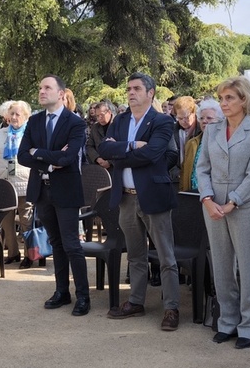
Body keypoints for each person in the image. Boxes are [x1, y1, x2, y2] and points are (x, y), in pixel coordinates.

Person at [98, 72, 181, 331]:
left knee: (166, 256)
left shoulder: (162, 121)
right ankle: (136, 301)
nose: (131, 92)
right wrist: (133, 145)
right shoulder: (120, 120)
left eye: (136, 88)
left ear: (150, 93)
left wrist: (120, 152)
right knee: (135, 255)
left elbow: (155, 153)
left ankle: (171, 307)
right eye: (128, 88)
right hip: (125, 198)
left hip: (153, 196)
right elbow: (103, 150)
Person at [196, 76, 250, 349]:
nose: (223, 103)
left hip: (246, 207)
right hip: (213, 206)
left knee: (249, 269)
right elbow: (201, 168)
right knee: (222, 267)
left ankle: (249, 326)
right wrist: (206, 198)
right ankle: (227, 321)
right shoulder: (212, 130)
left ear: (244, 100)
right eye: (221, 98)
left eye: (229, 98)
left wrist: (233, 202)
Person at [18, 74, 90, 316]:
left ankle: (83, 295)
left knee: (71, 244)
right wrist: (50, 161)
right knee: (55, 243)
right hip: (42, 190)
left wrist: (38, 152)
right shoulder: (35, 121)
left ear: (61, 94)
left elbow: (69, 159)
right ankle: (62, 291)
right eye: (40, 87)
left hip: (67, 191)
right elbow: (22, 156)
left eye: (47, 87)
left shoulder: (75, 123)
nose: (41, 91)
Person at [0, 100, 33, 264]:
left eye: (17, 114)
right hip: (3, 183)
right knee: (6, 220)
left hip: (24, 183)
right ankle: (12, 253)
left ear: (26, 117)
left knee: (26, 220)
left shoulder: (31, 134)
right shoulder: (1, 133)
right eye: (11, 113)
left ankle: (28, 254)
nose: (13, 117)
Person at [179, 99, 223, 192]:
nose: (204, 121)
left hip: (215, 196)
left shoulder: (225, 144)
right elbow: (184, 171)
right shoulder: (191, 143)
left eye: (209, 118)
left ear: (220, 120)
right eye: (201, 118)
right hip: (192, 194)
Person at [85, 100, 114, 170]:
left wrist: (110, 162)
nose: (99, 118)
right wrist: (97, 158)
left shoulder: (118, 125)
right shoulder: (95, 127)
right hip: (99, 167)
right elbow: (89, 146)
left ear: (109, 112)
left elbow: (122, 147)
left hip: (115, 167)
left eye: (102, 115)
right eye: (97, 116)